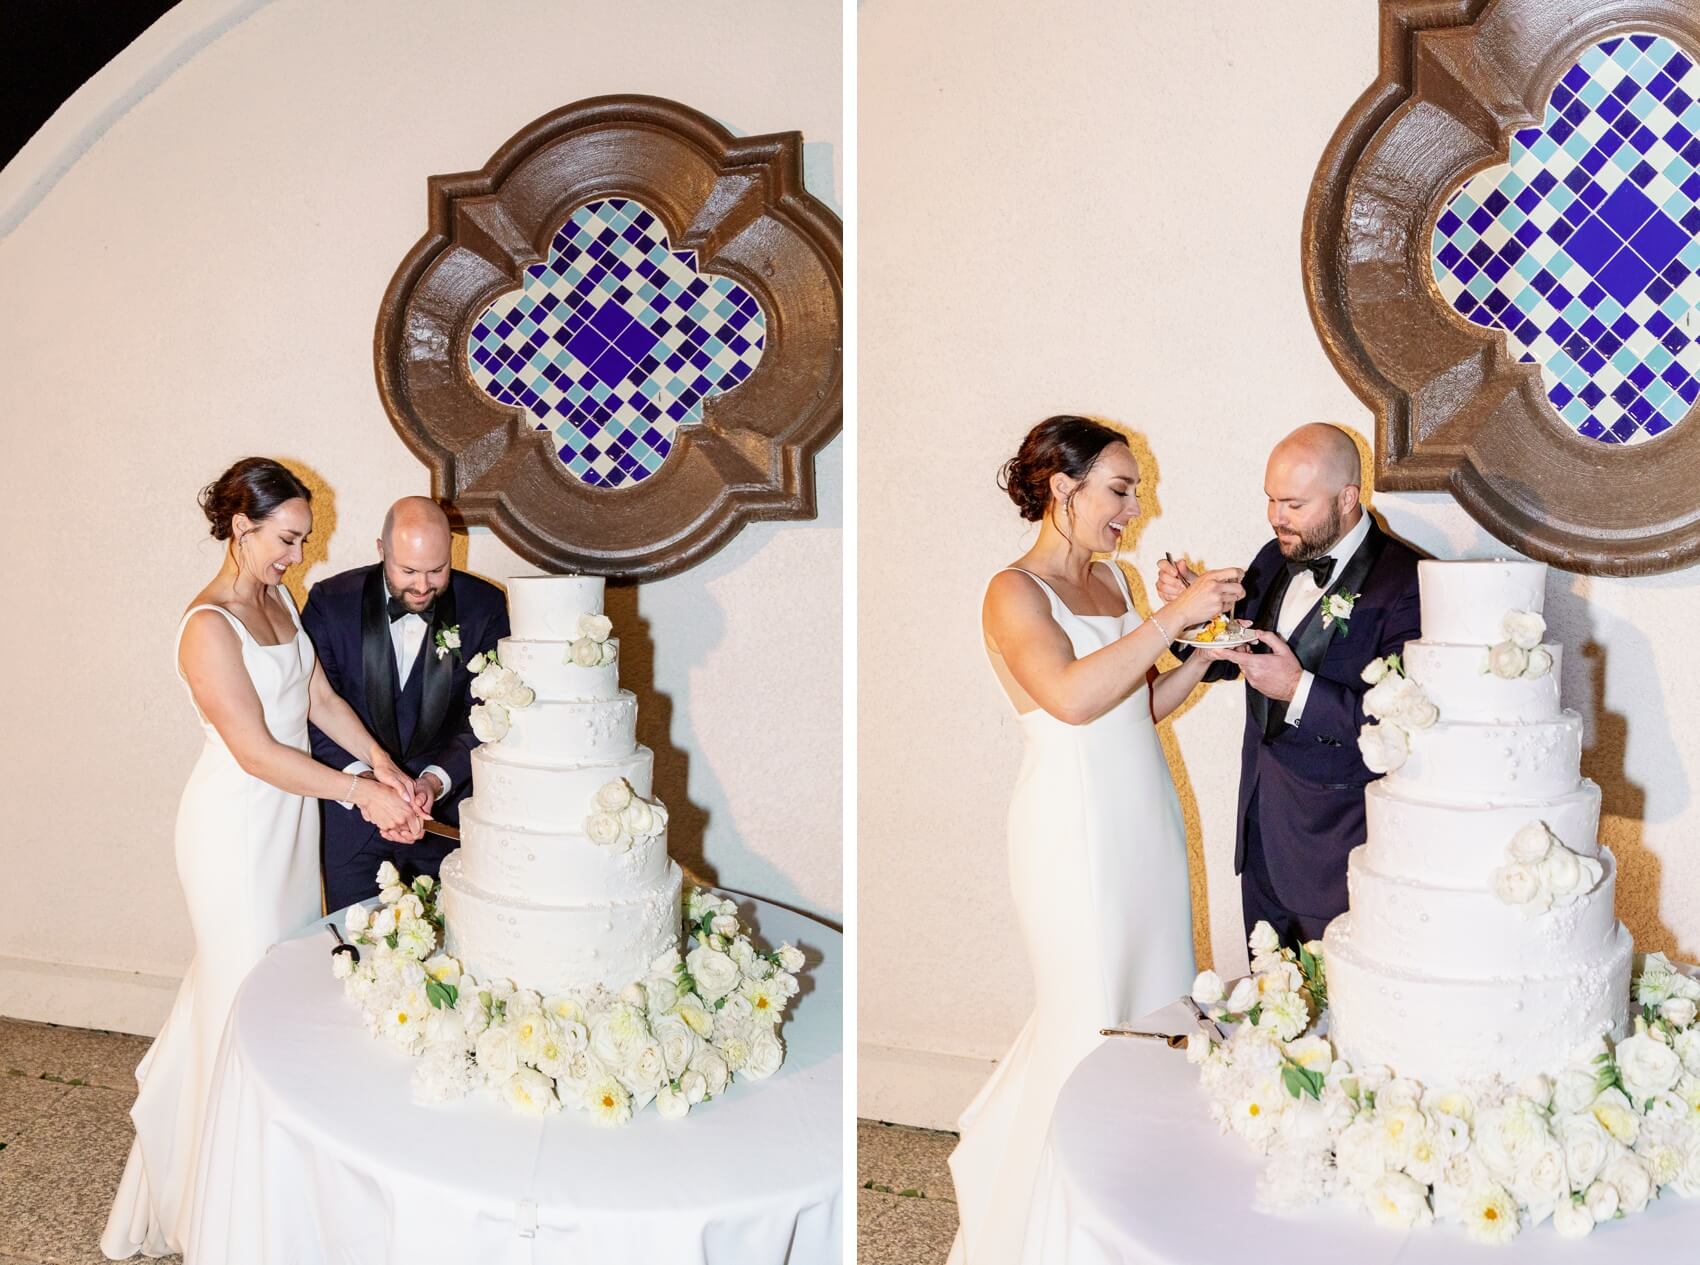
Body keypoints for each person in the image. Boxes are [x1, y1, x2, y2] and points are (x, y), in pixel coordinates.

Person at [102, 459, 420, 1259]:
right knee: (244, 1002)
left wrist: (382, 768)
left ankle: (260, 1185)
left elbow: (318, 702)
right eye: (286, 539)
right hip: (234, 832)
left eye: (304, 541)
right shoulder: (206, 626)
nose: (297, 557)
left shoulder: (281, 600)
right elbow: (253, 751)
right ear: (242, 528)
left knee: (270, 997)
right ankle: (222, 1210)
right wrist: (358, 798)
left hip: (287, 823)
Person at [947, 415, 1245, 1265]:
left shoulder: (1115, 581)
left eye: (1136, 491)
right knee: (1089, 1018)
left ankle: (1132, 1210)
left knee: (1153, 1005)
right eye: (1120, 490)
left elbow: (1135, 706)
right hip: (1070, 834)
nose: (1132, 508)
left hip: (1140, 818)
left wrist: (1201, 649)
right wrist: (1172, 616)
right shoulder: (1011, 592)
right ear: (1061, 488)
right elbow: (1072, 701)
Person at [1156, 422, 1422, 950]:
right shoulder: (1274, 556)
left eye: (1294, 504)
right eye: (1271, 500)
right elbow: (1233, 657)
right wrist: (1192, 614)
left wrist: (1299, 689)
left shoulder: (1410, 583)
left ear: (1348, 498)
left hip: (1338, 847)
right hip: (1260, 835)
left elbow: (1405, 732)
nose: (1277, 516)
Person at [301, 496, 509, 913]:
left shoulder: (484, 606)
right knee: (358, 959)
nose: (422, 586)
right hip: (352, 827)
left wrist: (433, 782)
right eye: (408, 570)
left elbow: (490, 716)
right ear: (381, 551)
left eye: (437, 570)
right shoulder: (330, 602)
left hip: (445, 824)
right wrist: (369, 790)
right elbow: (313, 711)